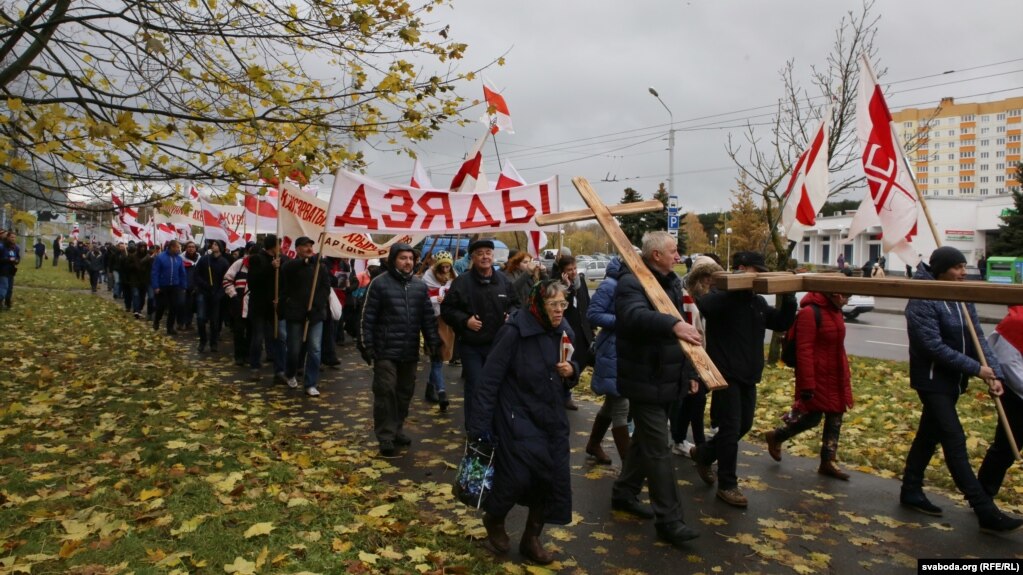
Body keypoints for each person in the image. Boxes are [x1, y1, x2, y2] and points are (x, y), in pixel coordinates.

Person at [900, 246, 1023, 533]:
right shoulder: (922, 298)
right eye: (957, 267)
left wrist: (994, 374)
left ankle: (910, 489)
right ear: (941, 269)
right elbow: (933, 346)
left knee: (928, 436)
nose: (963, 272)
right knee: (954, 440)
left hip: (954, 381)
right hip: (932, 381)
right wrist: (975, 369)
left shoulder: (961, 294)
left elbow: (978, 338)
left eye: (964, 266)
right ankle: (984, 510)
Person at [468, 280, 579, 565]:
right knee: (516, 476)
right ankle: (494, 518)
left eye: (563, 304)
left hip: (551, 417)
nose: (559, 311)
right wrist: (478, 427)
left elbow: (572, 366)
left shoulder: (563, 330)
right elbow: (489, 379)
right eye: (553, 304)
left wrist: (572, 371)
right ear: (537, 304)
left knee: (549, 477)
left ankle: (531, 538)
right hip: (516, 415)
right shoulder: (514, 332)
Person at [611, 231, 702, 548]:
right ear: (656, 256)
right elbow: (633, 316)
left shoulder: (672, 282)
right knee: (660, 447)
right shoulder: (630, 282)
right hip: (643, 380)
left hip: (669, 377)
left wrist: (689, 371)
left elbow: (683, 329)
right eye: (673, 251)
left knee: (644, 441)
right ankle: (670, 520)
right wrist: (672, 325)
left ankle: (624, 493)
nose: (678, 256)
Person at [691, 251, 796, 508]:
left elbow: (782, 321)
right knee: (730, 428)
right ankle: (728, 484)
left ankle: (703, 453)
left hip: (749, 374)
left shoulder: (756, 302)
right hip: (726, 374)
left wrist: (789, 295)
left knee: (744, 425)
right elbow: (704, 304)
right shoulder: (722, 299)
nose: (760, 275)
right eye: (756, 270)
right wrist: (733, 288)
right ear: (741, 269)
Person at [359, 243, 442, 456]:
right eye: (403, 258)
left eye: (410, 258)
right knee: (385, 391)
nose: (407, 262)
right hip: (385, 350)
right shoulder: (379, 284)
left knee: (404, 392)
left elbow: (427, 317)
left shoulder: (418, 286)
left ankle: (397, 429)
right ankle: (385, 436)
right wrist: (367, 345)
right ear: (393, 260)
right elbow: (367, 317)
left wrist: (434, 342)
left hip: (409, 350)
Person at [764, 292, 854, 479]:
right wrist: (807, 384)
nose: (847, 301)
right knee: (811, 416)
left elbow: (838, 346)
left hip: (835, 374)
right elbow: (804, 350)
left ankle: (828, 461)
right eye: (845, 296)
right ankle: (777, 436)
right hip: (817, 375)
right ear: (833, 294)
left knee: (836, 414)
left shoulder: (836, 311)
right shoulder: (809, 313)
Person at [441, 239, 518, 429]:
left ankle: (495, 426)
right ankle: (475, 430)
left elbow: (516, 304)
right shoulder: (462, 282)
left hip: (498, 347)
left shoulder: (503, 281)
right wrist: (465, 320)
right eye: (480, 253)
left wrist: (512, 315)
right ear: (473, 257)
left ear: (493, 256)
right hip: (472, 346)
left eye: (488, 253)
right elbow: (447, 309)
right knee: (476, 387)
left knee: (498, 387)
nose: (485, 257)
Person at [671, 256, 722, 457]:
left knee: (692, 401)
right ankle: (698, 444)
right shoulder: (689, 298)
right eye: (705, 277)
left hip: (705, 355)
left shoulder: (713, 296)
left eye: (712, 277)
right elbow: (693, 330)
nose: (709, 281)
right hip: (690, 357)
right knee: (695, 400)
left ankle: (680, 438)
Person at [584, 256, 630, 466]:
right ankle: (630, 467)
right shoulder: (609, 285)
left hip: (623, 350)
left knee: (613, 402)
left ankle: (593, 444)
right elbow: (593, 314)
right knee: (621, 403)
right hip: (612, 349)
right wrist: (622, 321)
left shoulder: (628, 283)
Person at [979, 306, 1023, 498]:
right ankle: (983, 496)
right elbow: (1006, 363)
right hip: (1017, 395)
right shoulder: (1018, 321)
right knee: (1006, 447)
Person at [279, 236, 330, 396]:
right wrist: (305, 263)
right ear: (297, 249)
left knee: (315, 349)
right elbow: (287, 272)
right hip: (295, 313)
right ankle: (291, 372)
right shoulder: (290, 266)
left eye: (310, 245)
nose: (309, 248)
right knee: (294, 349)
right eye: (305, 246)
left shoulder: (320, 268)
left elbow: (325, 288)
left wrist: (316, 306)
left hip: (315, 315)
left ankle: (310, 383)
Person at [246, 235, 287, 379]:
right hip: (259, 306)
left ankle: (280, 370)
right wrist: (271, 268)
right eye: (278, 245)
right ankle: (255, 367)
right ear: (272, 246)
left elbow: (283, 282)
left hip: (274, 306)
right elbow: (253, 281)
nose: (280, 248)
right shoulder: (257, 259)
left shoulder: (282, 260)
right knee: (258, 338)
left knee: (279, 337)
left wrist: (281, 298)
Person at [422, 250, 456, 411]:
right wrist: (435, 299)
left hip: (447, 321)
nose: (445, 269)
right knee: (436, 358)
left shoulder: (453, 279)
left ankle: (430, 388)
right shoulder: (427, 278)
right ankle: (441, 392)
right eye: (443, 266)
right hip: (432, 321)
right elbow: (421, 299)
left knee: (440, 358)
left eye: (448, 266)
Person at [194, 240, 230, 352]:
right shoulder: (205, 259)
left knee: (214, 321)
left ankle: (213, 342)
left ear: (220, 247)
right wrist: (204, 284)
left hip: (216, 295)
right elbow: (197, 274)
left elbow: (226, 280)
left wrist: (219, 293)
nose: (213, 246)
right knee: (200, 318)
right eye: (212, 244)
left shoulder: (224, 262)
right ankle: (202, 341)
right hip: (203, 293)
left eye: (215, 244)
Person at [150, 240, 186, 334]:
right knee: (161, 306)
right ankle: (157, 320)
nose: (179, 249)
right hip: (163, 286)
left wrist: (183, 286)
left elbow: (182, 273)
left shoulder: (179, 259)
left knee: (174, 307)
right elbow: (155, 272)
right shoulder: (160, 257)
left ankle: (170, 328)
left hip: (175, 286)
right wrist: (156, 286)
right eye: (177, 247)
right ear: (172, 247)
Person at [0, 232, 20, 310]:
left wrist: (16, 261)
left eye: (14, 237)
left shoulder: (16, 248)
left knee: (9, 289)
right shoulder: (2, 246)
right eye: (11, 237)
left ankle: (7, 303)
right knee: (4, 287)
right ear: (7, 237)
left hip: (11, 271)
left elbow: (18, 258)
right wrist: (8, 260)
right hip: (2, 270)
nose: (13, 239)